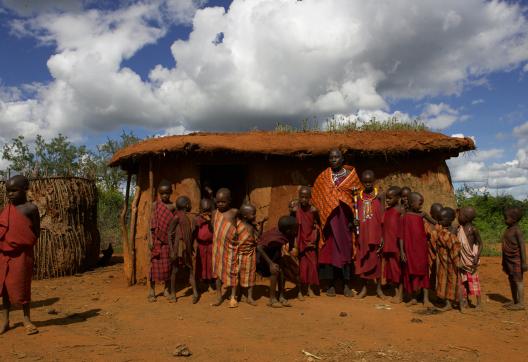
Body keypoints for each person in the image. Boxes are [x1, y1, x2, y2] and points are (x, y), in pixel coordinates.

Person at [312, 148, 362, 297]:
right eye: (331, 157)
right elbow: (317, 197)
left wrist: (355, 218)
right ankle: (331, 285)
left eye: (336, 157)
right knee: (329, 253)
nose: (333, 160)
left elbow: (357, 198)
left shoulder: (351, 177)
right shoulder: (324, 177)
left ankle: (346, 285)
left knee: (345, 252)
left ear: (342, 159)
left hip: (345, 223)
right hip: (328, 224)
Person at [0, 175, 40, 335]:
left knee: (23, 286)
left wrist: (22, 243)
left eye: (14, 191)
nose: (10, 194)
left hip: (23, 254)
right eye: (8, 191)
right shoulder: (6, 209)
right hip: (4, 254)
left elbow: (36, 232)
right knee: (4, 288)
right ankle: (5, 321)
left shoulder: (31, 209)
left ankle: (26, 319)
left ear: (25, 190)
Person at [257, 216, 299, 307]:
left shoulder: (288, 234)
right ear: (288, 230)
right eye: (295, 229)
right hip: (263, 257)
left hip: (275, 254)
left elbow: (290, 245)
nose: (297, 230)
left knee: (282, 273)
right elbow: (259, 248)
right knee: (275, 271)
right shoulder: (274, 237)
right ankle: (272, 299)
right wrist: (271, 263)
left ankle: (281, 296)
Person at [355, 170, 384, 299]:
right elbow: (357, 215)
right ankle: (364, 289)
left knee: (377, 261)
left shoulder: (379, 196)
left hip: (376, 234)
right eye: (365, 182)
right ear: (362, 182)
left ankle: (379, 289)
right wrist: (355, 221)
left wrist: (383, 235)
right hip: (363, 235)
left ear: (374, 181)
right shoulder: (358, 197)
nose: (367, 184)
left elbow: (383, 216)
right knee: (363, 261)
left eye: (370, 182)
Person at [400, 192, 431, 306]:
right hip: (409, 249)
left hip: (421, 249)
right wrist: (402, 251)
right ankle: (413, 297)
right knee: (411, 273)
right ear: (412, 203)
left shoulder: (422, 215)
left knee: (424, 271)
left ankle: (426, 298)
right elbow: (401, 236)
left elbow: (435, 222)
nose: (421, 206)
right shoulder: (404, 217)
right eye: (420, 203)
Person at [226, 204, 260, 308]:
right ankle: (234, 296)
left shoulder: (253, 226)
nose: (255, 216)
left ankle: (249, 297)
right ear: (245, 216)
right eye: (253, 214)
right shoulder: (237, 225)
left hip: (250, 254)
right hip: (238, 253)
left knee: (250, 276)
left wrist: (260, 226)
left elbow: (256, 239)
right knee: (235, 275)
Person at [148, 179, 175, 302]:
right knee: (154, 267)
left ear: (170, 193)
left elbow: (174, 224)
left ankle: (166, 289)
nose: (164, 196)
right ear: (159, 194)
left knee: (168, 267)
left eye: (167, 193)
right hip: (156, 241)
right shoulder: (155, 205)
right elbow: (151, 224)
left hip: (168, 242)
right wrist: (150, 240)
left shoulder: (172, 206)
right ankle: (151, 291)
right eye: (162, 193)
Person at [211, 188, 238, 307]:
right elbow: (213, 227)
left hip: (231, 247)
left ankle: (233, 296)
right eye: (218, 202)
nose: (220, 204)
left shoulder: (234, 213)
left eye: (223, 202)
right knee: (217, 272)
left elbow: (242, 225)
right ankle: (219, 295)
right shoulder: (214, 213)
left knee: (232, 270)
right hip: (218, 248)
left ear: (230, 201)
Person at [169, 196, 197, 303]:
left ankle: (195, 293)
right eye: (190, 203)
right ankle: (172, 294)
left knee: (190, 269)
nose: (191, 206)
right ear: (186, 205)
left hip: (187, 248)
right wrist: (172, 250)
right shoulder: (177, 217)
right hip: (178, 248)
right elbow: (169, 233)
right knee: (175, 270)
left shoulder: (187, 217)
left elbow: (189, 233)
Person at [295, 186, 320, 299]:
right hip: (299, 242)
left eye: (306, 197)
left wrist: (314, 236)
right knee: (301, 268)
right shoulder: (295, 210)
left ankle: (310, 289)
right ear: (299, 197)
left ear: (310, 198)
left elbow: (318, 223)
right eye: (302, 197)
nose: (304, 199)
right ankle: (300, 290)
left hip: (310, 241)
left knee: (312, 266)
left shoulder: (313, 210)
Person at [434, 207, 461, 311]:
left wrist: (457, 261)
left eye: (441, 219)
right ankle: (448, 303)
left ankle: (457, 301)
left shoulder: (453, 230)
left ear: (450, 219)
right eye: (438, 219)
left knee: (453, 280)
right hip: (443, 260)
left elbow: (454, 244)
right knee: (442, 279)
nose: (439, 222)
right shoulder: (441, 229)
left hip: (453, 259)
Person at [457, 206, 483, 311]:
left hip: (471, 260)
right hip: (462, 260)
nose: (458, 217)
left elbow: (480, 244)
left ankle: (479, 303)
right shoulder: (459, 229)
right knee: (463, 281)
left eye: (460, 215)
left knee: (474, 281)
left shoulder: (473, 230)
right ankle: (465, 300)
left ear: (466, 217)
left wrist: (477, 256)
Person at [501, 207, 527, 311]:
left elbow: (522, 246)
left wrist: (524, 262)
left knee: (518, 280)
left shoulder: (517, 231)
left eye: (506, 218)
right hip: (508, 259)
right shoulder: (508, 229)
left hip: (516, 260)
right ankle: (515, 300)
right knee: (511, 279)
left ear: (514, 219)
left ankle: (521, 303)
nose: (504, 220)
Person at [382, 186, 403, 303]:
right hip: (388, 244)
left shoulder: (400, 210)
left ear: (398, 198)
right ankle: (396, 293)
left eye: (390, 198)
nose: (387, 200)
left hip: (397, 245)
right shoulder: (387, 210)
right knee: (391, 270)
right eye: (386, 198)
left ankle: (400, 294)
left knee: (398, 270)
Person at [194, 199, 214, 293]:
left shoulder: (212, 219)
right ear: (200, 209)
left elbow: (214, 229)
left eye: (208, 210)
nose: (206, 212)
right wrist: (201, 218)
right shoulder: (197, 219)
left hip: (210, 245)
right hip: (200, 246)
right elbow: (194, 231)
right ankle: (198, 284)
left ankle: (209, 284)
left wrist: (209, 221)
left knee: (210, 266)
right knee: (200, 265)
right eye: (204, 210)